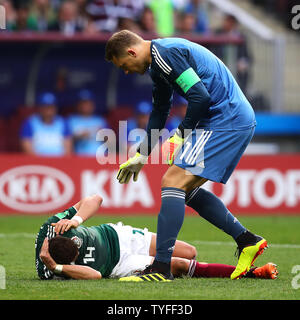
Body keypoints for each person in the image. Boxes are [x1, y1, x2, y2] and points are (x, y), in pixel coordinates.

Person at [104, 30, 267, 281]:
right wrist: (142, 154)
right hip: (222, 118)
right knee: (182, 189)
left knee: (172, 182)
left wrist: (179, 136)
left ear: (131, 52)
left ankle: (161, 268)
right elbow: (160, 110)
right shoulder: (157, 63)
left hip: (225, 119)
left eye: (124, 65)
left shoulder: (165, 54)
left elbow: (200, 97)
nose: (126, 71)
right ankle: (247, 240)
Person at [36, 194, 278, 281]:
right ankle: (252, 273)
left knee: (190, 251)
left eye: (77, 241)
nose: (79, 244)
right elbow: (96, 275)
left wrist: (76, 219)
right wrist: (57, 267)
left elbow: (95, 199)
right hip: (119, 265)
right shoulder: (49, 270)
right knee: (180, 265)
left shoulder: (55, 226)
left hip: (120, 236)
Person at [20, 92, 72, 156]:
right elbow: (27, 148)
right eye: (45, 107)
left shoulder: (63, 122)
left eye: (51, 107)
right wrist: (43, 163)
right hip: (37, 163)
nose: (49, 110)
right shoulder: (30, 123)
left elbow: (68, 149)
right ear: (40, 108)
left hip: (60, 162)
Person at [67, 89, 110, 156]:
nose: (85, 106)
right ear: (78, 105)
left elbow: (110, 142)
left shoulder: (100, 120)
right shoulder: (72, 120)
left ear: (92, 104)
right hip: (80, 158)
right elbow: (67, 141)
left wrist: (103, 134)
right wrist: (78, 137)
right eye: (83, 103)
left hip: (100, 158)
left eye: (87, 103)